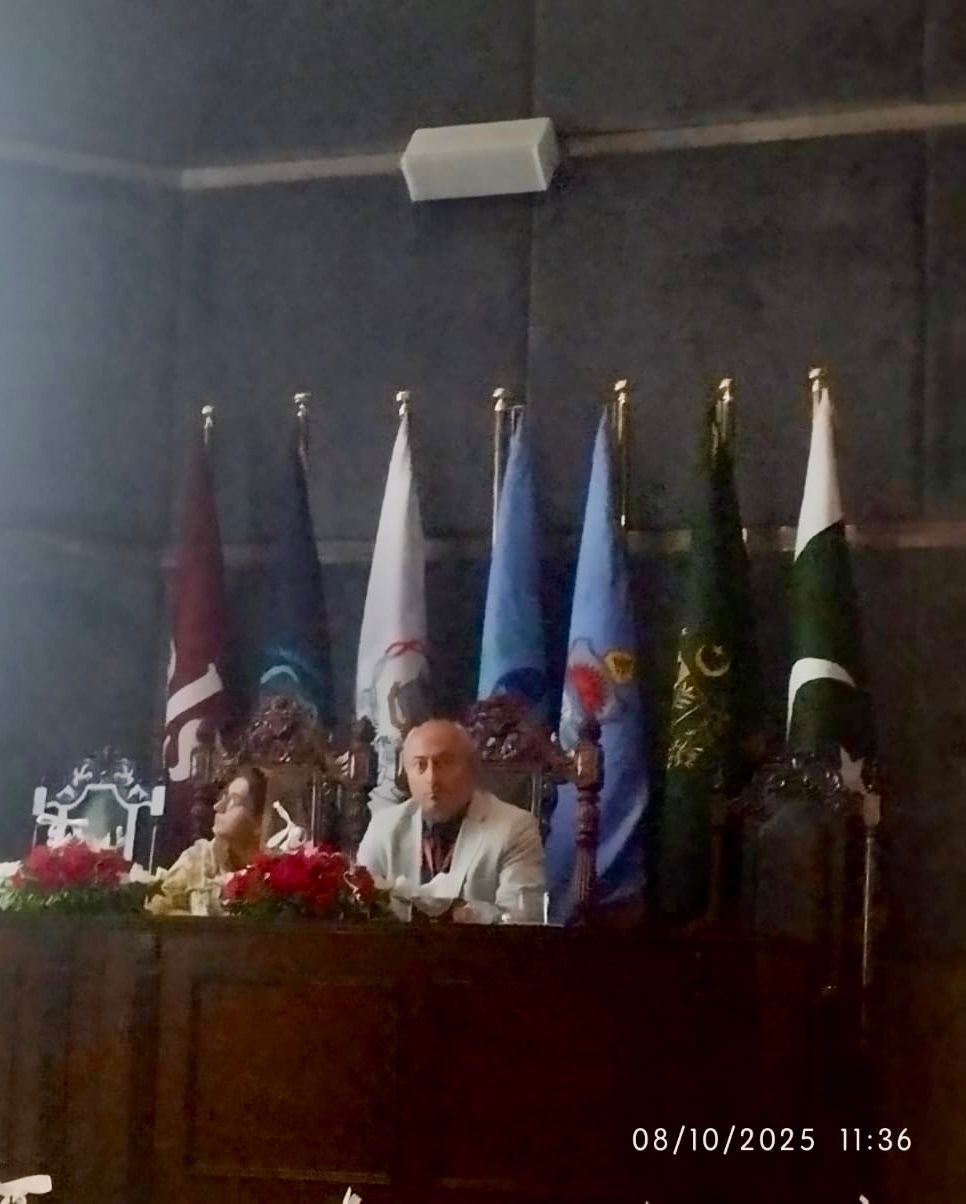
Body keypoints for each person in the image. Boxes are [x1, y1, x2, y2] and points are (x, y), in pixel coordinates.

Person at [356, 718, 545, 923]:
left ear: (471, 768)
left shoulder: (515, 827)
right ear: (405, 774)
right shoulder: (384, 826)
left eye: (444, 763)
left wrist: (455, 913)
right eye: (420, 765)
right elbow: (359, 909)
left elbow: (522, 920)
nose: (432, 779)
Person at [147, 767, 267, 916]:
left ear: (259, 820)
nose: (218, 807)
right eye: (223, 797)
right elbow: (160, 909)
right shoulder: (197, 859)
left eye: (234, 800)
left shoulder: (275, 873)